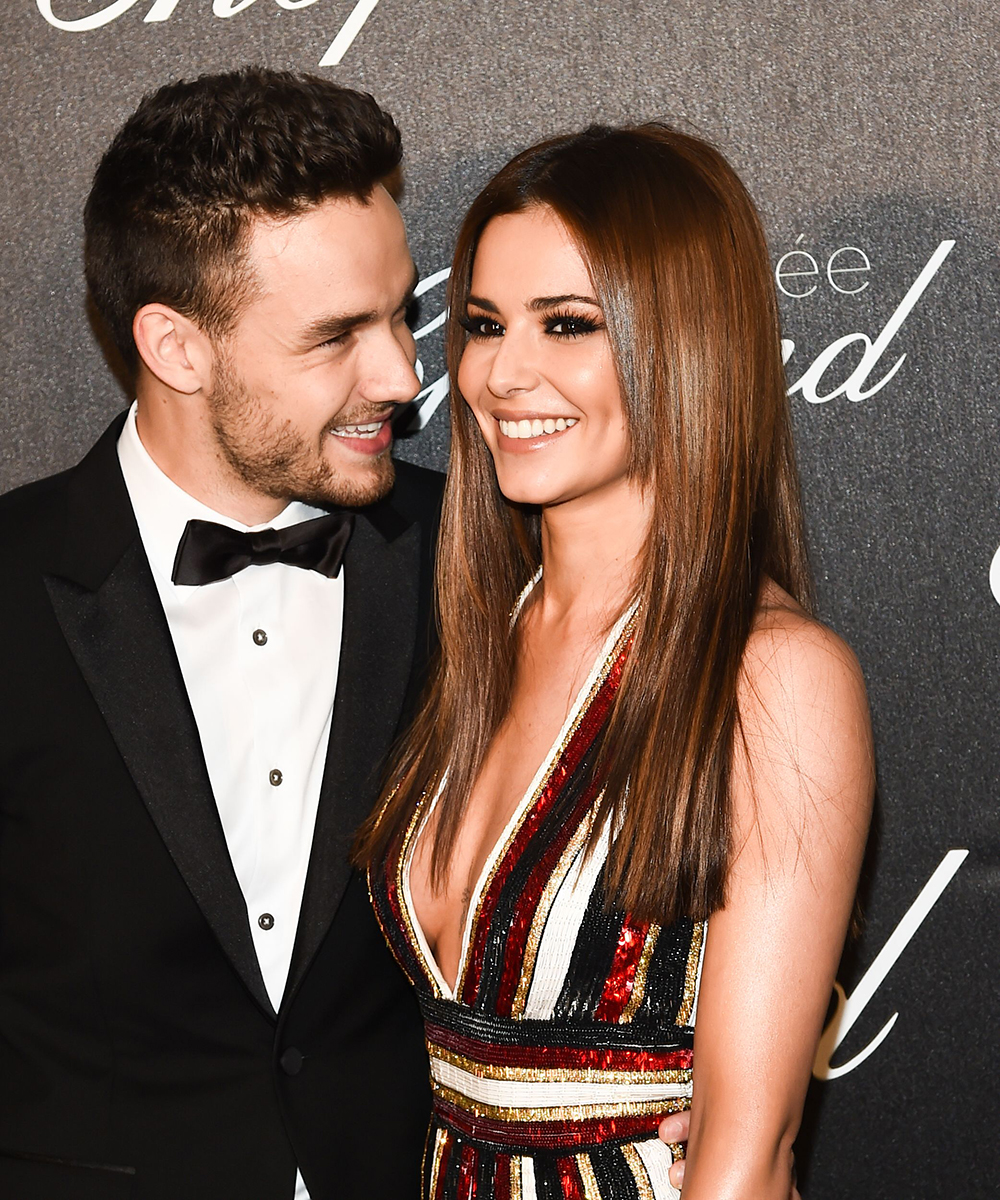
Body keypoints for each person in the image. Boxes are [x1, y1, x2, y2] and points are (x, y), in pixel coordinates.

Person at [359, 123, 874, 1199]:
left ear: (683, 343)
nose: (504, 373)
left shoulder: (770, 677)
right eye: (486, 323)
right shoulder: (482, 631)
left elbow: (745, 1155)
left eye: (569, 324)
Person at [0, 68, 440, 1199]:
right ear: (178, 347)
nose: (403, 373)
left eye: (403, 312)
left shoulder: (477, 557)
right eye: (337, 335)